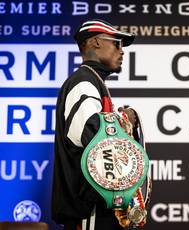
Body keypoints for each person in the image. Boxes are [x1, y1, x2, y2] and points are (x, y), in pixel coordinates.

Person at [51, 19, 137, 230]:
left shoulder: (93, 81)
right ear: (96, 42)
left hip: (96, 207)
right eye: (117, 43)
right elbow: (97, 144)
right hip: (88, 210)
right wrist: (125, 121)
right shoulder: (83, 82)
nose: (122, 51)